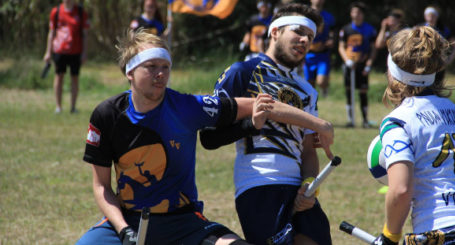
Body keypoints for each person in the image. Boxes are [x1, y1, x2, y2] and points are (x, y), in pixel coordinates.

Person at [75, 28, 295, 245]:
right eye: (151, 67)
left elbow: (261, 104)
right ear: (129, 72)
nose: (160, 74)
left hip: (184, 221)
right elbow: (101, 187)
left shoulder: (186, 107)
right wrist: (124, 231)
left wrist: (320, 126)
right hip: (128, 221)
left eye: (165, 67)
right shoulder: (107, 115)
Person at [200, 4, 333, 245]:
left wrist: (309, 186)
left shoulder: (308, 90)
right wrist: (250, 125)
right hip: (259, 185)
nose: (305, 40)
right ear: (275, 32)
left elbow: (307, 150)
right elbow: (208, 137)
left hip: (299, 192)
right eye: (298, 31)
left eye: (310, 37)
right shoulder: (242, 72)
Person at [372, 26, 455, 245]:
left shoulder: (397, 121)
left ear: (392, 72)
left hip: (441, 233)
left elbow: (401, 190)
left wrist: (390, 236)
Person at [43, 0, 89, 114]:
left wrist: (84, 52)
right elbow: (51, 33)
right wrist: (48, 52)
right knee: (59, 76)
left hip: (76, 50)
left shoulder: (80, 12)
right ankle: (58, 106)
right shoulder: (56, 12)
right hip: (59, 50)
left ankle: (73, 107)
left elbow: (85, 34)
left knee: (75, 78)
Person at [338, 2, 377, 128]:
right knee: (349, 92)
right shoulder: (346, 29)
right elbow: (341, 47)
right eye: (354, 12)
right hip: (350, 65)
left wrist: (368, 64)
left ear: (363, 15)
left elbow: (373, 49)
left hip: (362, 64)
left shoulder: (369, 30)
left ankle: (365, 120)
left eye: (359, 12)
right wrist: (347, 60)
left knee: (363, 92)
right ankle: (351, 120)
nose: (356, 15)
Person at [420, 6, 455, 82]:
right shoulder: (419, 28)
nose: (431, 18)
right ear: (425, 16)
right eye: (429, 15)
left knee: (437, 89)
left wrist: (448, 60)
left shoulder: (443, 29)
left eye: (433, 15)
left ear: (437, 17)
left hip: (438, 65)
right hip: (422, 64)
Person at [304, 0, 335, 97]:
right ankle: (312, 105)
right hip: (308, 54)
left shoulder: (328, 17)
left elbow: (332, 32)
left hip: (323, 54)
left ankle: (325, 86)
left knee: (321, 82)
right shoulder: (305, 15)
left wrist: (331, 40)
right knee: (309, 86)